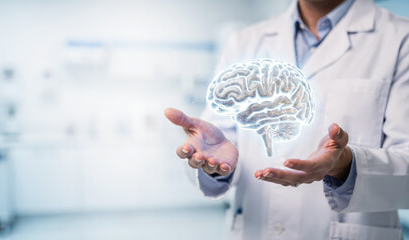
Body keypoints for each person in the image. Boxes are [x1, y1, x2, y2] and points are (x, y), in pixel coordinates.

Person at [165, 0, 409, 239]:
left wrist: (345, 165)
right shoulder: (244, 41)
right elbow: (217, 144)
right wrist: (214, 165)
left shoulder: (400, 38)